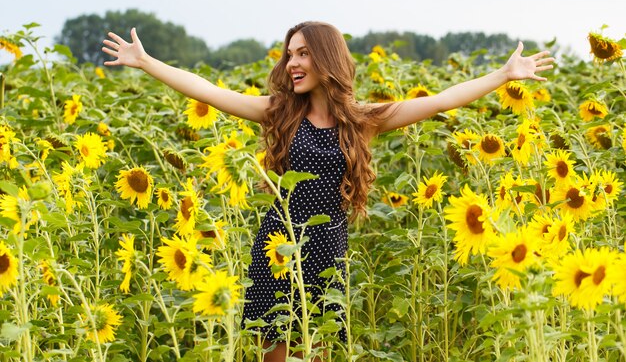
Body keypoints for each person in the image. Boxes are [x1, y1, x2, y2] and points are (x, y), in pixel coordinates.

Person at [102, 21, 554, 361]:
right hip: (278, 253)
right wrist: (146, 62)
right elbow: (207, 90)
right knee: (276, 356)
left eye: (302, 54)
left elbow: (438, 100)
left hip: (326, 254)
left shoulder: (361, 119)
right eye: (289, 55)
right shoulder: (278, 112)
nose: (292, 63)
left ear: (326, 59)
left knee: (313, 354)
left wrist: (503, 74)